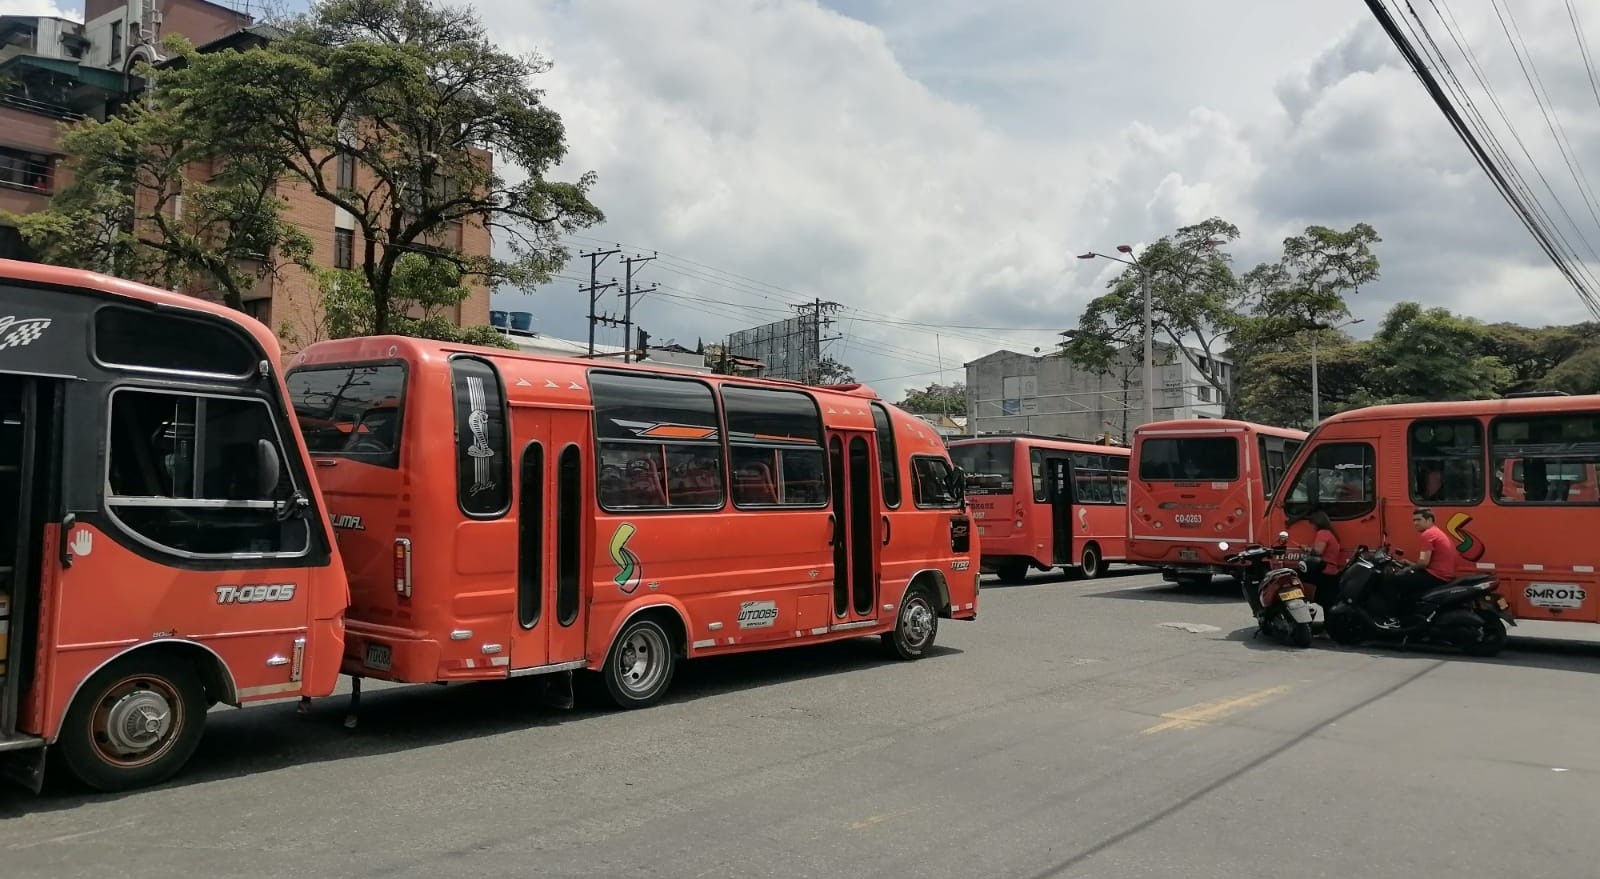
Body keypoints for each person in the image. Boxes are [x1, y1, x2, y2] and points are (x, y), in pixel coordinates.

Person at [1381, 507, 1461, 624]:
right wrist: (1411, 564)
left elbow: (1423, 563)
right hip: (1441, 574)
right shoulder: (1436, 532)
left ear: (1429, 520)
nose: (1415, 523)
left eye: (1418, 520)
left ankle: (1393, 618)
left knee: (1389, 581)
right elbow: (1426, 562)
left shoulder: (1428, 534)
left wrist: (1408, 568)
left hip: (1437, 576)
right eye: (1414, 520)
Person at [1303, 510, 1344, 600]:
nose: (1312, 527)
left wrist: (1306, 549)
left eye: (1312, 524)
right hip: (1332, 571)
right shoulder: (1331, 534)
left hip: (1324, 571)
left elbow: (1318, 551)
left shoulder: (1323, 533)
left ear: (1317, 523)